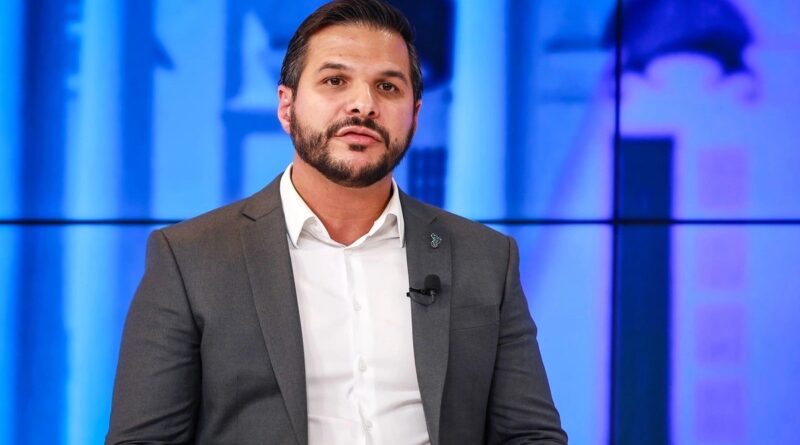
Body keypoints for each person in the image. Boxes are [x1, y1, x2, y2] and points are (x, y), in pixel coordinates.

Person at [106, 1, 567, 444]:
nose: (363, 105)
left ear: (415, 115)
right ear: (286, 106)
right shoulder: (191, 258)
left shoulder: (486, 258)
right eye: (335, 81)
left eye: (388, 87)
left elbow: (531, 435)